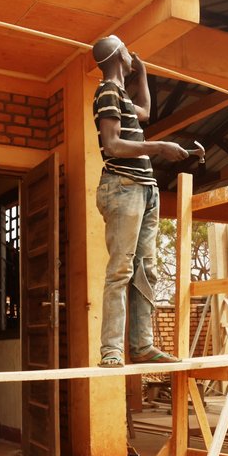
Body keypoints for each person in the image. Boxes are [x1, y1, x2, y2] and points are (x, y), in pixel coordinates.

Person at [91, 35, 191, 369]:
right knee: (121, 269)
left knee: (145, 269)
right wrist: (160, 148)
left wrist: (143, 75)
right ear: (119, 54)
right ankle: (112, 349)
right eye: (129, 51)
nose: (134, 55)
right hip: (123, 185)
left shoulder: (119, 94)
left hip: (145, 188)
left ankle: (143, 344)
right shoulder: (106, 91)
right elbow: (113, 145)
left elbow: (145, 112)